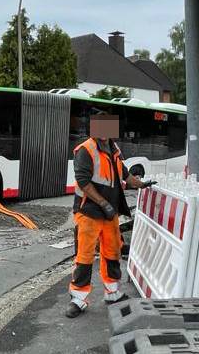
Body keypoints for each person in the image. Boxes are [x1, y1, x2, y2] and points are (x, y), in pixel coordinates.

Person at [65, 114, 154, 319]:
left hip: (109, 213)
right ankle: (78, 299)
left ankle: (112, 293)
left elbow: (123, 174)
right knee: (85, 255)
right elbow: (83, 182)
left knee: (112, 252)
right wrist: (103, 203)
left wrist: (141, 184)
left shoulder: (113, 149)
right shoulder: (85, 150)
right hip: (89, 212)